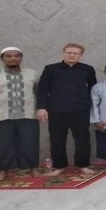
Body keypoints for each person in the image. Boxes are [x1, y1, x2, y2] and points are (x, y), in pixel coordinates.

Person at [0, 47, 41, 181]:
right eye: (9, 56)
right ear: (2, 58)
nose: (13, 58)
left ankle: (33, 168)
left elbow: (40, 93)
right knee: (3, 145)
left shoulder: (32, 74)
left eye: (16, 56)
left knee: (30, 142)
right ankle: (3, 170)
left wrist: (41, 109)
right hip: (2, 116)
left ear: (21, 58)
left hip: (28, 114)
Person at [37, 43, 97, 176]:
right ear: (63, 53)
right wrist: (41, 107)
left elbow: (93, 89)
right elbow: (42, 89)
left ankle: (83, 165)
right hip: (56, 110)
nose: (72, 55)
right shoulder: (51, 69)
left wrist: (88, 104)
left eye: (75, 53)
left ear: (81, 55)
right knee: (57, 139)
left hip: (80, 110)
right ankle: (59, 166)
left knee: (82, 138)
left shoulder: (87, 69)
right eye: (69, 52)